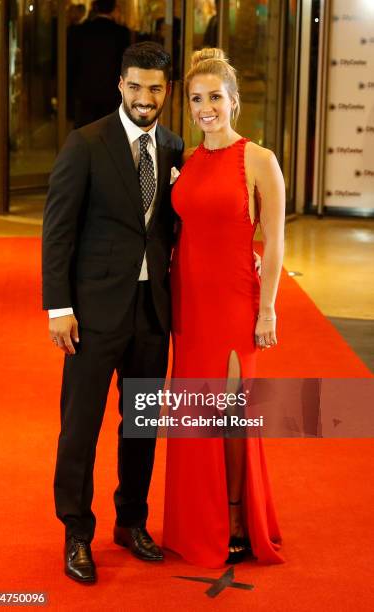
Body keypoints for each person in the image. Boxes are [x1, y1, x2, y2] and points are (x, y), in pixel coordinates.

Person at [42, 42, 184, 584]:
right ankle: (76, 532)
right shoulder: (86, 143)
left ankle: (131, 521)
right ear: (120, 85)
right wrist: (59, 306)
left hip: (151, 312)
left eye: (155, 88)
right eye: (135, 86)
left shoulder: (173, 145)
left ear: (166, 91)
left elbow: (171, 228)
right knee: (80, 427)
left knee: (141, 425)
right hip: (93, 312)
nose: (144, 97)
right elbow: (58, 231)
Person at [163, 48, 285, 567]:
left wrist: (268, 310)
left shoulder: (259, 159)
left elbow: (275, 243)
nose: (205, 107)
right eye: (196, 99)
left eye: (214, 97)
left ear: (233, 101)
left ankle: (235, 515)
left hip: (236, 302)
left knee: (231, 412)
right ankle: (197, 520)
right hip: (187, 303)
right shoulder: (187, 160)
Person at [67, 0, 130, 127]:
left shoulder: (80, 31)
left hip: (86, 93)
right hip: (112, 94)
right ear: (113, 8)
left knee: (86, 134)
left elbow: (72, 66)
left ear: (94, 7)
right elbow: (125, 66)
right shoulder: (121, 33)